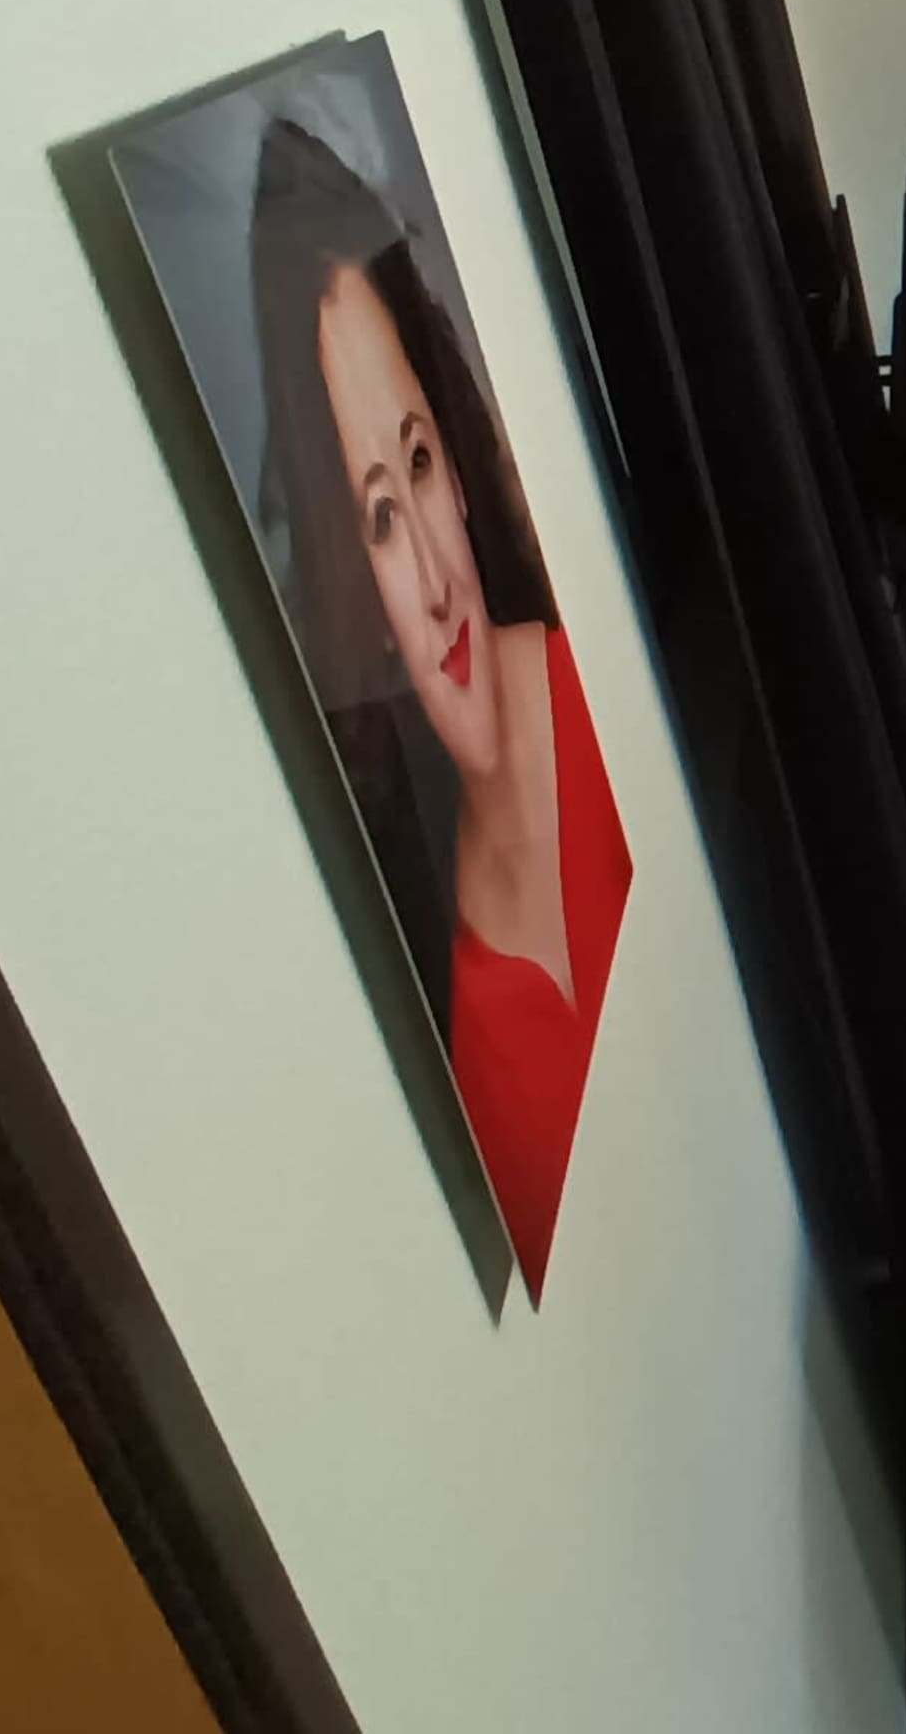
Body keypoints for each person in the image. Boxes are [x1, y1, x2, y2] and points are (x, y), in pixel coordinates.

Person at [252, 116, 629, 1293]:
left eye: (418, 463)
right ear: (347, 581)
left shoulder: (607, 703)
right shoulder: (430, 971)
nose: (429, 575)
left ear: (459, 470)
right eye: (375, 518)